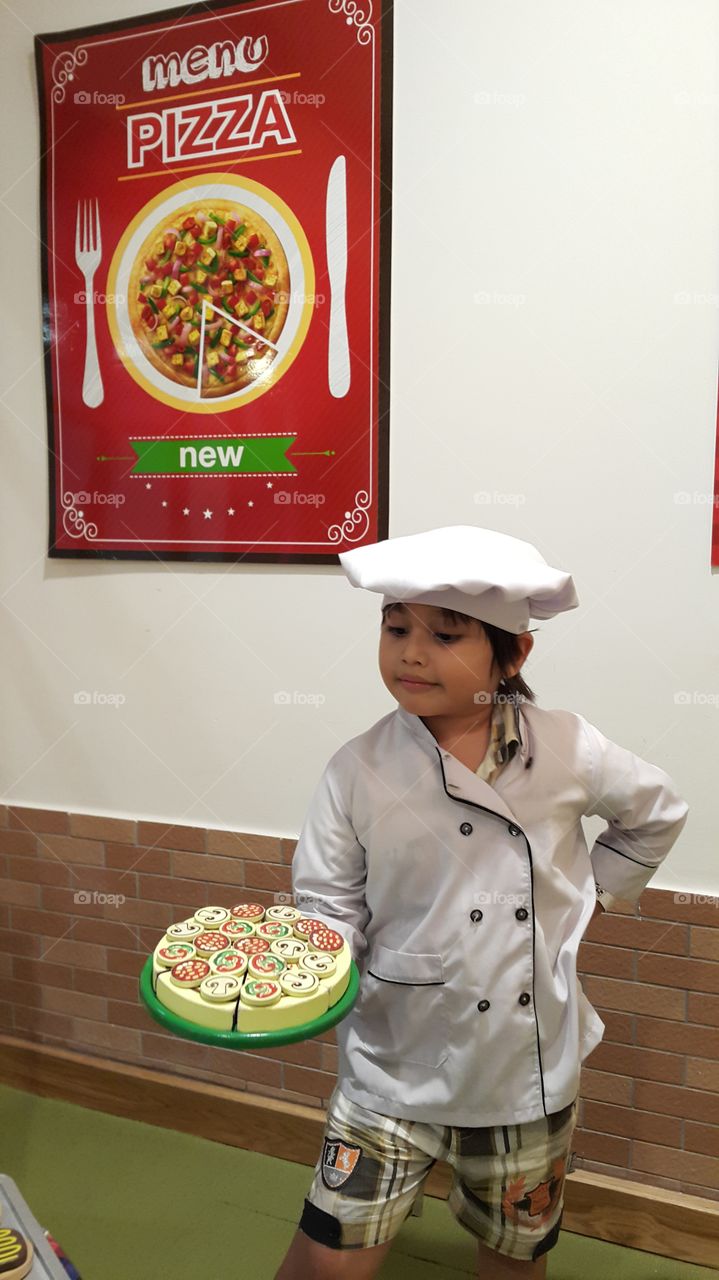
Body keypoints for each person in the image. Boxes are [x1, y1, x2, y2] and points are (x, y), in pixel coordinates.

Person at [274, 525, 689, 1279]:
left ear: (513, 654)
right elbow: (328, 902)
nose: (410, 652)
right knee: (330, 1258)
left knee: (511, 1260)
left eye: (445, 634)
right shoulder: (356, 770)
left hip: (521, 1077)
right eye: (395, 626)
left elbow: (657, 811)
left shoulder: (567, 749)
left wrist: (591, 892)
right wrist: (302, 979)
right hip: (389, 1066)